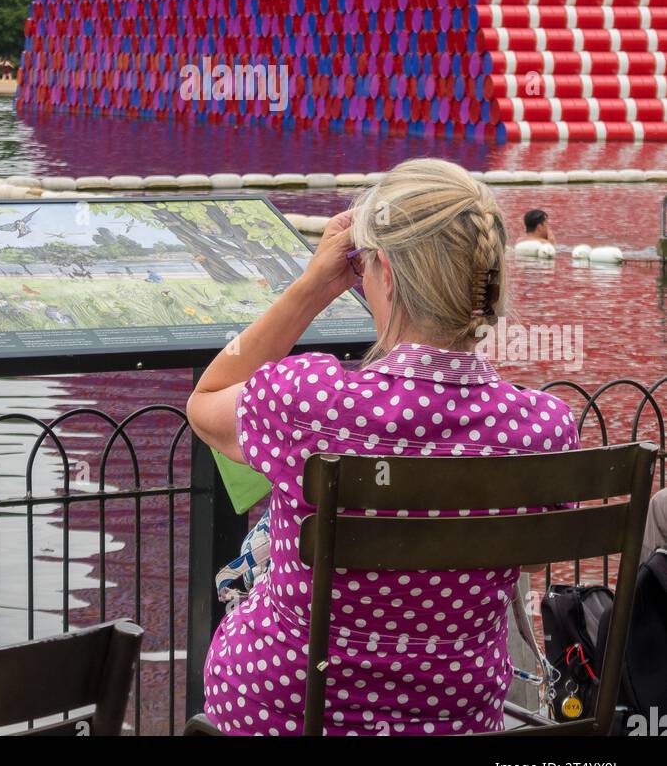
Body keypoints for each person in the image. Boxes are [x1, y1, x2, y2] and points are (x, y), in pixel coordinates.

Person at [187, 158, 580, 736]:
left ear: (388, 274)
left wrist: (314, 284)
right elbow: (537, 554)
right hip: (458, 718)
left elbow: (207, 398)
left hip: (285, 711)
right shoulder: (544, 429)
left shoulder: (310, 400)